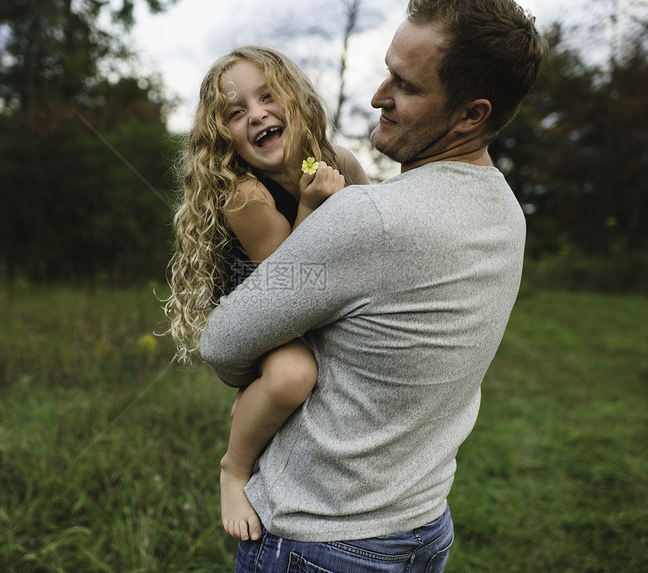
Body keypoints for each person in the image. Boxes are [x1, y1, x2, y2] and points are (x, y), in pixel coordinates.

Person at [199, 0, 548, 571]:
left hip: (320, 535)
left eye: (405, 85)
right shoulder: (507, 211)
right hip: (422, 524)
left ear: (469, 115)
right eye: (387, 70)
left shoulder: (372, 219)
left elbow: (221, 342)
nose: (377, 95)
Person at [164, 46, 369, 543]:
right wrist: (312, 204)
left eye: (268, 96)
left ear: (296, 100)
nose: (256, 114)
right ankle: (234, 469)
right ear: (225, 138)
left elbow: (374, 231)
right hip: (262, 301)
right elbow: (285, 287)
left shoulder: (339, 160)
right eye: (236, 112)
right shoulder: (244, 194)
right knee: (292, 376)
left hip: (320, 295)